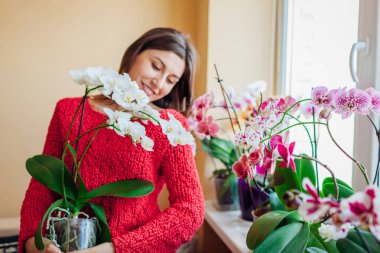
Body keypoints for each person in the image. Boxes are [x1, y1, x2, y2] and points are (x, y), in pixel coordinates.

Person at [19, 27, 205, 253]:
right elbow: (41, 187)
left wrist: (113, 249)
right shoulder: (69, 110)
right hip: (63, 244)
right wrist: (36, 242)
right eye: (156, 66)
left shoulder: (170, 127)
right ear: (134, 54)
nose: (159, 83)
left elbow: (190, 210)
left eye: (171, 80)